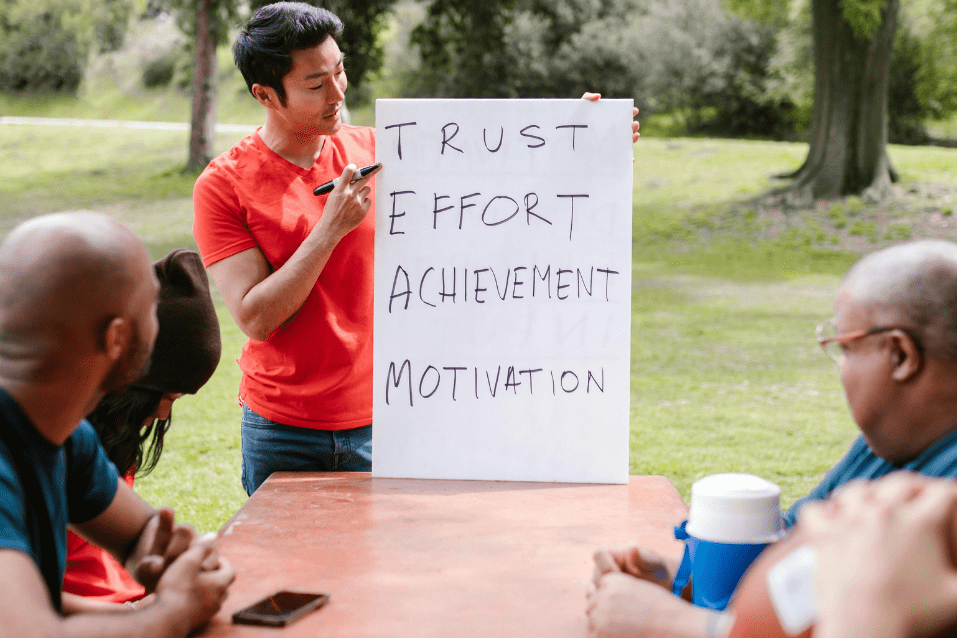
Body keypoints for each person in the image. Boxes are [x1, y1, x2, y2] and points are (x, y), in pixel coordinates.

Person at [192, 1, 641, 496]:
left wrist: (583, 139)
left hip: (389, 418)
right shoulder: (223, 185)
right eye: (316, 85)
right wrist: (328, 230)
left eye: (340, 71)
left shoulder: (385, 151)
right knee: (283, 572)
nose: (338, 92)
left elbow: (498, 193)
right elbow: (256, 317)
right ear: (265, 94)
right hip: (284, 429)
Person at [586, 239, 957, 638]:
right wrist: (691, 579)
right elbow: (788, 565)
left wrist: (682, 627)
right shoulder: (887, 447)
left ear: (900, 355)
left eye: (845, 349)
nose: (841, 370)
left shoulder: (942, 508)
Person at [0, 212, 234, 636]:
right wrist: (173, 610)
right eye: (151, 309)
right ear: (117, 338)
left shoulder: (64, 430)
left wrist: (165, 558)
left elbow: (139, 531)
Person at [61, 248, 222, 613]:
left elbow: (138, 534)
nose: (163, 412)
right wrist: (145, 616)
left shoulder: (84, 441)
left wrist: (180, 560)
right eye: (163, 396)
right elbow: (19, 606)